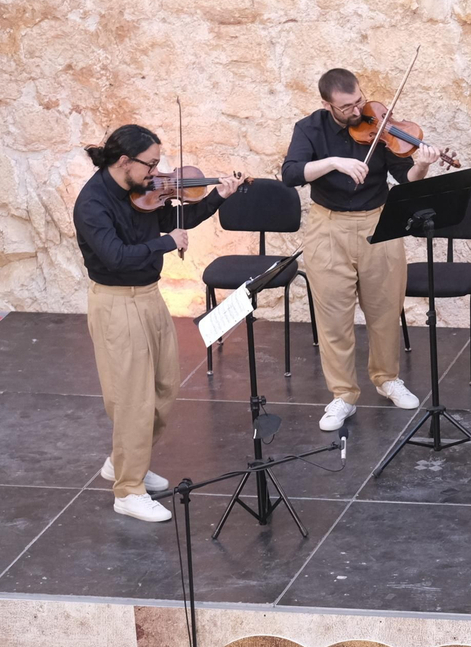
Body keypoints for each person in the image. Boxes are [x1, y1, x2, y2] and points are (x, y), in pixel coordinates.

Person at [73, 124, 243, 522]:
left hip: (149, 297)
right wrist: (167, 243)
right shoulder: (92, 204)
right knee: (132, 399)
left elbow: (180, 212)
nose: (156, 173)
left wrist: (219, 195)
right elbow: (115, 255)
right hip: (115, 303)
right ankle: (127, 490)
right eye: (150, 165)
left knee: (165, 387)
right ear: (124, 162)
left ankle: (124, 461)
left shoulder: (143, 193)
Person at [282, 68, 444, 432]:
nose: (358, 112)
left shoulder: (380, 124)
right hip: (328, 226)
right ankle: (343, 395)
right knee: (334, 317)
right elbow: (290, 173)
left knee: (386, 308)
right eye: (346, 107)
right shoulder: (310, 128)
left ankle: (387, 379)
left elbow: (406, 181)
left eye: (359, 101)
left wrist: (421, 165)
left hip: (377, 222)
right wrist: (334, 162)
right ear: (327, 105)